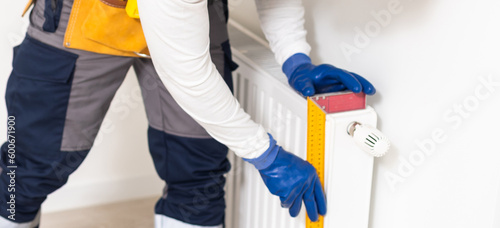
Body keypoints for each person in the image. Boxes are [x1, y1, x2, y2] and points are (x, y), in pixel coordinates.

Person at [0, 0, 375, 227]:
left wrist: (295, 59)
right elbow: (189, 76)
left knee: (198, 173)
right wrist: (268, 155)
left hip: (192, 15)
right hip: (84, 14)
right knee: (28, 166)